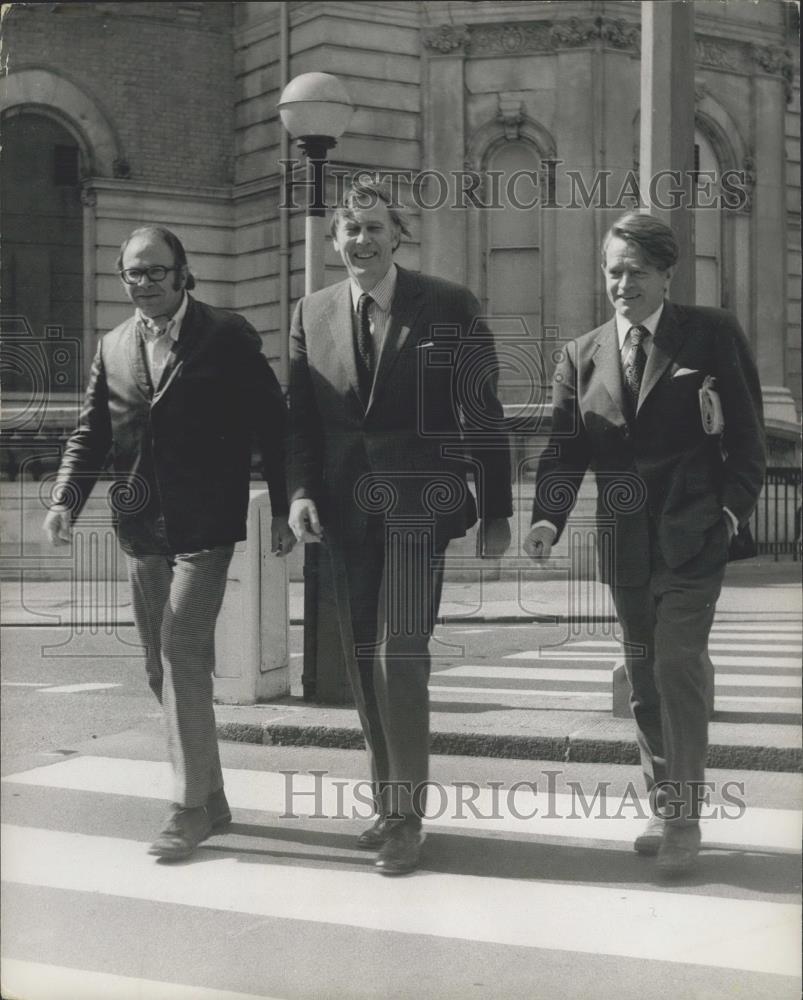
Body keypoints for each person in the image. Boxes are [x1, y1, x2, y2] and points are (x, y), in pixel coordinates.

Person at [525, 212, 765, 875]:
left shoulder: (709, 335)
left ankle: (683, 818)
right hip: (625, 545)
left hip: (694, 537)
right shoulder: (581, 354)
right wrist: (547, 518)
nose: (621, 283)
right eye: (612, 271)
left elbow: (747, 440)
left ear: (665, 273)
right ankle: (662, 802)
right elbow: (564, 451)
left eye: (634, 270)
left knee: (675, 666)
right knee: (641, 680)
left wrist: (728, 514)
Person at [43, 225, 295, 860]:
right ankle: (211, 796)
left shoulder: (226, 334)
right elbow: (91, 434)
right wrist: (65, 502)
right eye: (134, 273)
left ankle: (186, 810)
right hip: (141, 529)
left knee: (183, 652)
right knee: (161, 666)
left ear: (184, 274)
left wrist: (289, 507)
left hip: (206, 527)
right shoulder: (114, 345)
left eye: (157, 271)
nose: (145, 283)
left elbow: (273, 422)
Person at [287, 181, 512, 875]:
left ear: (397, 235)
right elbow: (298, 417)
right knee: (360, 661)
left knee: (398, 656)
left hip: (421, 505)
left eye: (373, 228)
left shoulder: (446, 305)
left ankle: (408, 817)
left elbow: (482, 408)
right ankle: (388, 802)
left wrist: (497, 506)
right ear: (335, 242)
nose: (360, 240)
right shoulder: (312, 310)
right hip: (345, 511)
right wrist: (296, 493)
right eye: (348, 230)